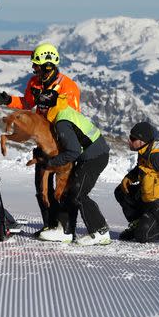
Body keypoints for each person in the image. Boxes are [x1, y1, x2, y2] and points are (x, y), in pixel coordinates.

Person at [0, 43, 80, 236]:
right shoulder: (35, 83)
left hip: (62, 144)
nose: (34, 69)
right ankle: (49, 225)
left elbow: (73, 115)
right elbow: (26, 102)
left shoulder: (68, 86)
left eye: (37, 65)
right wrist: (8, 100)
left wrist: (55, 101)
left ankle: (65, 228)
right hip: (42, 141)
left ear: (48, 66)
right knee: (41, 185)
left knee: (62, 186)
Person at [34, 89, 111, 246]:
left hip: (95, 157)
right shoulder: (61, 110)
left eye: (42, 107)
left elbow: (73, 151)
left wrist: (51, 163)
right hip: (89, 155)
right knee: (67, 189)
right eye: (39, 106)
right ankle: (66, 231)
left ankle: (100, 231)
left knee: (78, 193)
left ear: (50, 107)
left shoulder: (62, 122)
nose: (39, 110)